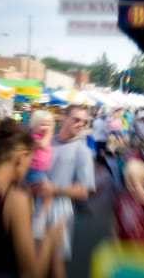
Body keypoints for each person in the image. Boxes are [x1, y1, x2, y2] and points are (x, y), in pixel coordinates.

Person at [0, 117, 63, 278]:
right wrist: (50, 239)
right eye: (29, 161)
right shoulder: (14, 201)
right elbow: (31, 273)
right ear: (21, 157)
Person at [32, 104, 96, 273]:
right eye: (76, 119)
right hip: (35, 204)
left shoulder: (83, 151)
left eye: (84, 121)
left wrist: (54, 189)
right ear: (64, 118)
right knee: (34, 257)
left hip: (60, 210)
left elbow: (84, 190)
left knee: (55, 262)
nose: (81, 124)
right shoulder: (46, 142)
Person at [24, 110, 55, 238]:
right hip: (34, 170)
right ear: (34, 125)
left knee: (40, 196)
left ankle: (37, 217)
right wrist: (50, 132)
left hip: (41, 171)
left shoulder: (43, 138)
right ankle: (38, 220)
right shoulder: (34, 138)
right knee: (45, 194)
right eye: (42, 124)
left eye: (48, 124)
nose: (45, 128)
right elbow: (42, 145)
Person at [113, 158, 144, 242]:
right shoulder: (121, 199)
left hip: (141, 247)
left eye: (133, 183)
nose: (129, 186)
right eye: (126, 180)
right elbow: (115, 223)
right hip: (123, 245)